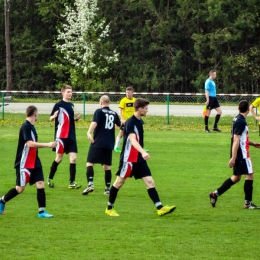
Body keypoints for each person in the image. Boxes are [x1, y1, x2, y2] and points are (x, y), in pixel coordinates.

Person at [105, 98, 176, 217]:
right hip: (129, 158)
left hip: (139, 159)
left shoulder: (140, 121)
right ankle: (109, 208)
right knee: (119, 182)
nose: (147, 111)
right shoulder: (130, 122)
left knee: (150, 181)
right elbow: (132, 139)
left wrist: (141, 154)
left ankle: (160, 208)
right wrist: (143, 151)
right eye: (146, 108)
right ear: (140, 109)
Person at [0, 106, 56, 218]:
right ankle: (2, 200)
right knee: (20, 189)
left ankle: (42, 212)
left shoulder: (32, 127)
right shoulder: (26, 126)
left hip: (35, 161)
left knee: (40, 183)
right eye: (38, 113)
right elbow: (29, 144)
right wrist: (47, 144)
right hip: (24, 162)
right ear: (35, 114)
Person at [209, 100, 260, 209]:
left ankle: (215, 194)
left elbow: (241, 138)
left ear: (238, 108)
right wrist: (233, 157)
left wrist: (253, 143)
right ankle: (248, 203)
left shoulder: (236, 119)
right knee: (250, 175)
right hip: (242, 154)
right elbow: (236, 140)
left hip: (239, 153)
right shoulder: (241, 122)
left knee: (236, 178)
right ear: (248, 110)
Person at [82, 95, 121, 195]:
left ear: (100, 103)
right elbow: (119, 126)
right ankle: (107, 189)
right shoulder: (114, 113)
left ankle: (90, 184)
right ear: (109, 102)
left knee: (90, 163)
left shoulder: (99, 111)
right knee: (107, 167)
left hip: (98, 142)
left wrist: (89, 132)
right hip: (109, 143)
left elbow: (95, 122)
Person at [48, 85, 81, 189]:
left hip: (71, 135)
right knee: (59, 158)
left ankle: (72, 182)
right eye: (68, 92)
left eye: (71, 92)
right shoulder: (58, 105)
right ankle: (50, 178)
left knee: (74, 158)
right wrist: (54, 116)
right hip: (61, 136)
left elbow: (69, 120)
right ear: (62, 93)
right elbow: (50, 118)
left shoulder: (71, 105)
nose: (70, 94)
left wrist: (75, 119)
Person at [114, 86, 136, 152]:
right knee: (121, 133)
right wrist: (122, 119)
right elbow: (120, 110)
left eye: (129, 93)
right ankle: (116, 147)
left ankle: (138, 147)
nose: (127, 94)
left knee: (136, 133)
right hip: (125, 121)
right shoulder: (123, 100)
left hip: (133, 120)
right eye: (126, 92)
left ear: (132, 93)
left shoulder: (135, 100)